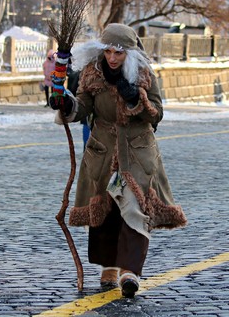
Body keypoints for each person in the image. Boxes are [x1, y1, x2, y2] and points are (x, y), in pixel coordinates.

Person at [50, 23, 187, 298]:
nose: (113, 58)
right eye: (109, 51)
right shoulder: (91, 73)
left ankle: (130, 271)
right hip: (102, 151)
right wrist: (67, 106)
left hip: (137, 150)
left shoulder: (144, 75)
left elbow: (157, 113)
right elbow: (83, 106)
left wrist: (137, 98)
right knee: (106, 209)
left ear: (130, 54)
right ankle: (109, 266)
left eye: (119, 53)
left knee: (136, 207)